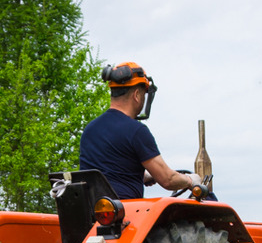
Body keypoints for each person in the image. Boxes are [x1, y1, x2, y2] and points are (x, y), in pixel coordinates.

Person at [79, 61, 204, 199]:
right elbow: (167, 179)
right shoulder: (136, 131)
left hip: (92, 214)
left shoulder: (90, 130)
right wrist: (191, 180)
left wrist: (143, 175)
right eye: (144, 94)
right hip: (126, 215)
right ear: (137, 95)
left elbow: (108, 174)